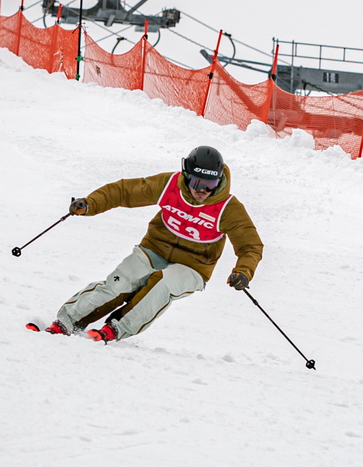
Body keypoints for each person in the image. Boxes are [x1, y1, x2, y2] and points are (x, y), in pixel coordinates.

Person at [43, 145, 263, 342]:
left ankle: (117, 328)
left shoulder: (228, 207)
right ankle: (68, 321)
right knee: (122, 282)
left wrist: (243, 272)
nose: (202, 190)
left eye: (210, 184)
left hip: (195, 266)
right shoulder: (169, 185)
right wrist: (90, 204)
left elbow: (250, 246)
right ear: (187, 176)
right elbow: (124, 191)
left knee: (162, 284)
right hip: (154, 248)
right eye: (196, 182)